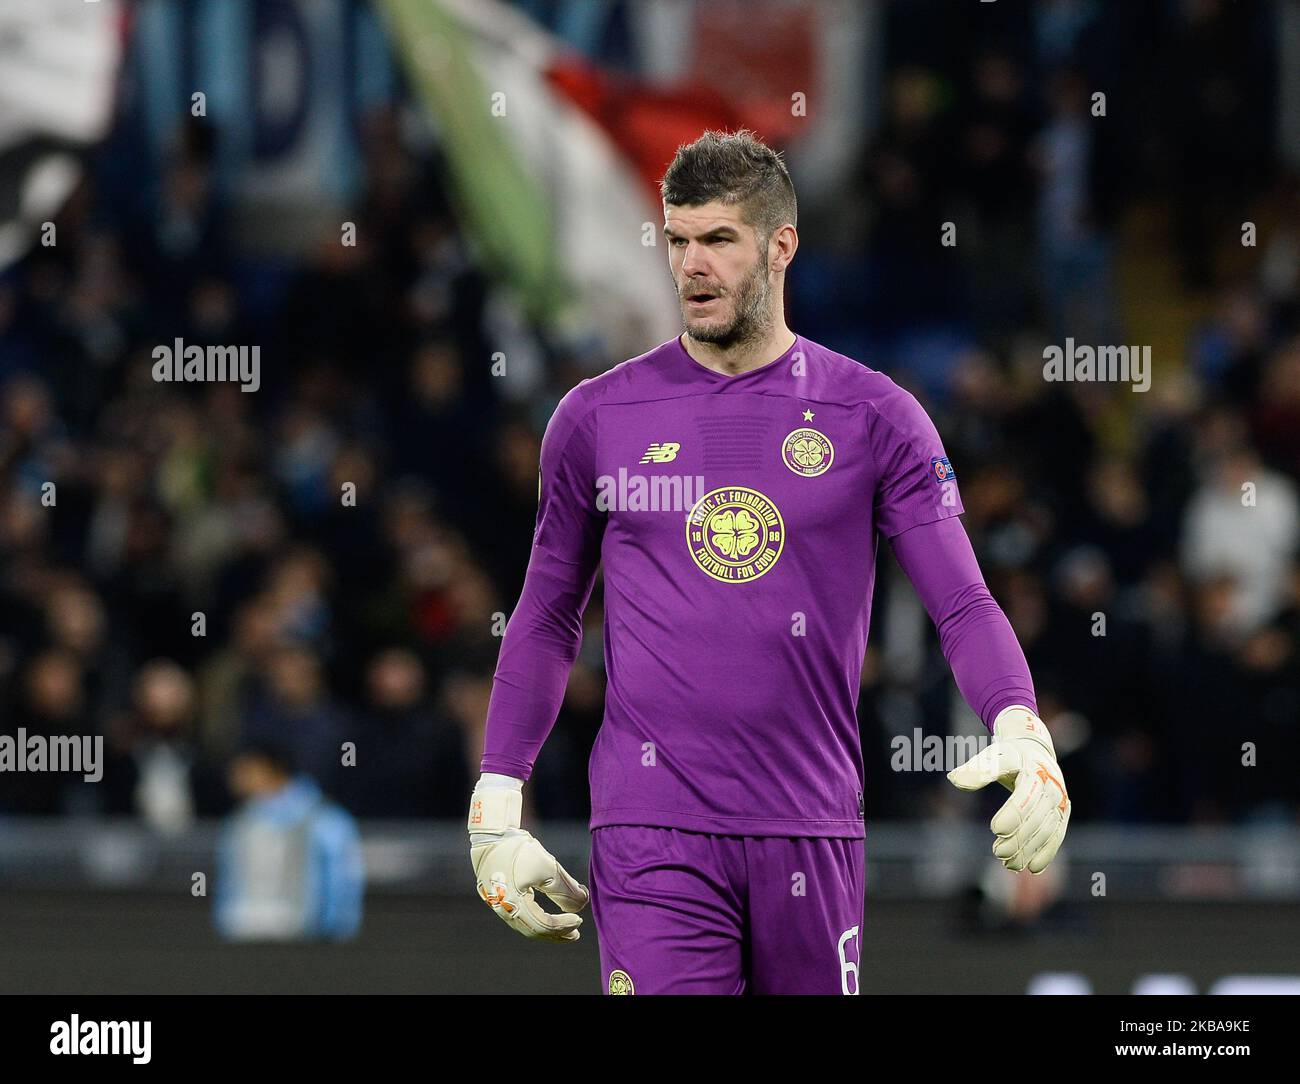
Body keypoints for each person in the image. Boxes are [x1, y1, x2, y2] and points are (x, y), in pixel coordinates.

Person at [467, 129, 1070, 994]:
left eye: (719, 240)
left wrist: (1020, 724)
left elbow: (963, 603)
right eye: (676, 239)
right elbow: (549, 610)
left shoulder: (875, 417)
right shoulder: (595, 419)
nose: (691, 266)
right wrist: (497, 794)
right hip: (652, 830)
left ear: (781, 245)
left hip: (811, 823)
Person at [215, 743, 363, 942]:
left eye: (244, 769)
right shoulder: (239, 821)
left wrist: (330, 931)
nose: (234, 778)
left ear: (270, 770)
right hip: (247, 939)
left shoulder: (323, 819)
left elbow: (342, 879)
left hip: (307, 941)